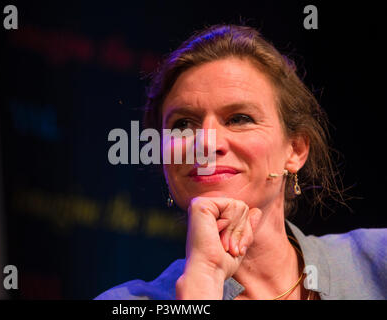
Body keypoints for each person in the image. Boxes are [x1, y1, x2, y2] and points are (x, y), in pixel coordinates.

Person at [95, 25, 386, 300]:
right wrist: (203, 284)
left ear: (295, 150)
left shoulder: (375, 261)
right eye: (183, 124)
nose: (206, 143)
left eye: (239, 119)